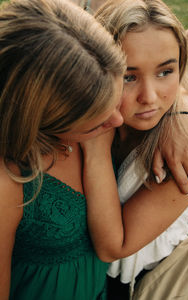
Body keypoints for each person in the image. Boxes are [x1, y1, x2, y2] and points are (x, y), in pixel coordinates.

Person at [0, 0, 128, 299]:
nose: (119, 120)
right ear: (36, 122)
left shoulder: (95, 111)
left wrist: (180, 117)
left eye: (116, 98)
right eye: (93, 125)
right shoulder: (9, 179)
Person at [81, 0, 188, 299]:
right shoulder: (84, 116)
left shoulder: (184, 155)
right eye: (128, 76)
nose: (149, 97)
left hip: (141, 282)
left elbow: (114, 246)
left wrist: (95, 149)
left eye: (165, 72)